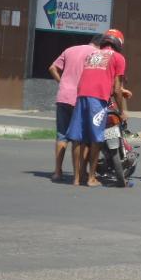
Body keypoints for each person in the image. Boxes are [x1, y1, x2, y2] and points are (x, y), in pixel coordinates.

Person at [66, 29, 127, 187]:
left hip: (81, 96)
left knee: (78, 138)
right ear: (119, 44)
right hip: (98, 99)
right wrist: (123, 111)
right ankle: (91, 177)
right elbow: (117, 89)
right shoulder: (119, 58)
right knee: (96, 138)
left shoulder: (92, 55)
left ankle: (76, 178)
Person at [48, 36, 100, 182]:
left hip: (63, 96)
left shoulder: (70, 50)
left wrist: (62, 82)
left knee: (61, 135)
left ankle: (57, 172)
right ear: (100, 45)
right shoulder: (96, 54)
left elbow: (52, 68)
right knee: (81, 138)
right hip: (81, 98)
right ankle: (81, 173)